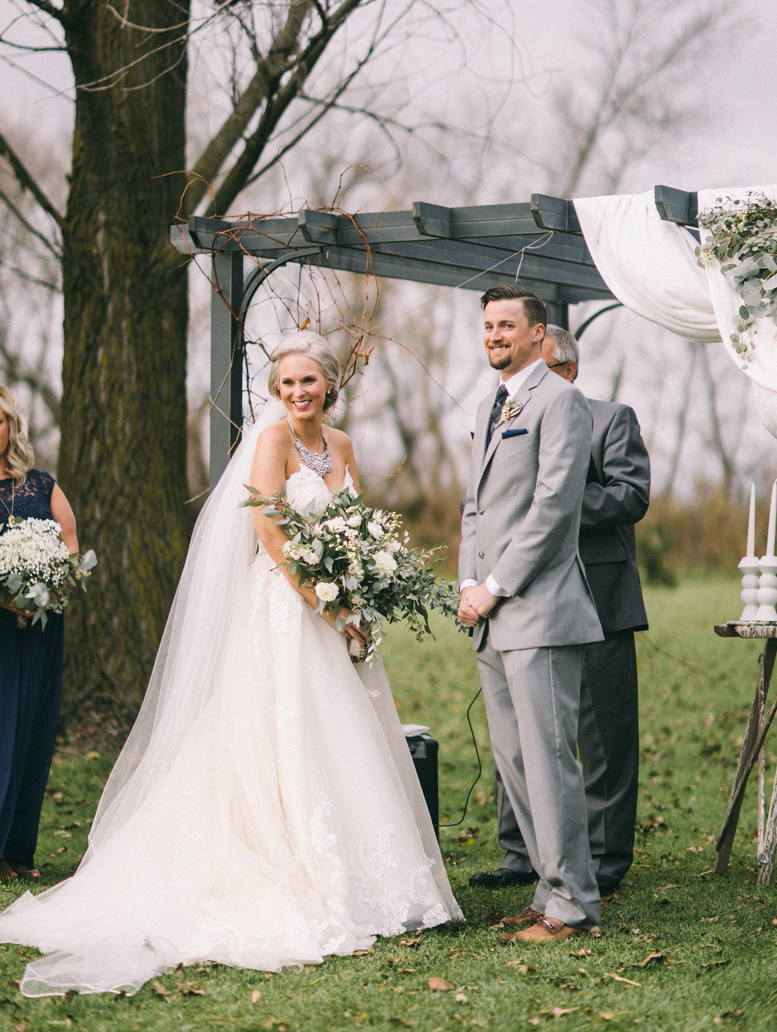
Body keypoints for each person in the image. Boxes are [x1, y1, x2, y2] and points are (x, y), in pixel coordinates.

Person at [0, 332, 461, 996]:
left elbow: (354, 527)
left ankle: (367, 878)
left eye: (308, 382)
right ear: (277, 392)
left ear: (329, 386)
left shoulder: (345, 447)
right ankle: (287, 860)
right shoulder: (272, 443)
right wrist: (321, 599)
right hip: (285, 607)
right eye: (286, 384)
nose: (297, 393)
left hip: (337, 613)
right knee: (284, 731)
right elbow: (270, 531)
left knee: (342, 734)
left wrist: (358, 595)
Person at [471, 326, 649, 898]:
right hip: (518, 595)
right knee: (525, 736)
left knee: (600, 739)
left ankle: (604, 859)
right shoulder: (503, 415)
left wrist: (557, 501)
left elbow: (631, 495)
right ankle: (523, 853)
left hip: (596, 591)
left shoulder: (609, 417)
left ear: (566, 371)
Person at [458, 286, 603, 943]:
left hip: (539, 611)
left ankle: (573, 905)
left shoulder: (561, 402)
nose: (495, 335)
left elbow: (553, 509)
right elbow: (475, 508)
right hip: (489, 615)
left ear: (538, 335)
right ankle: (548, 890)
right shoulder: (494, 403)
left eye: (507, 325)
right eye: (489, 325)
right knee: (517, 767)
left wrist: (494, 584)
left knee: (548, 762)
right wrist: (466, 582)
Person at [0, 387, 78, 884]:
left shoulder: (41, 485)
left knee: (29, 733)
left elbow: (71, 548)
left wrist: (45, 591)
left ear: (11, 427)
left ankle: (15, 851)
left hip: (38, 630)